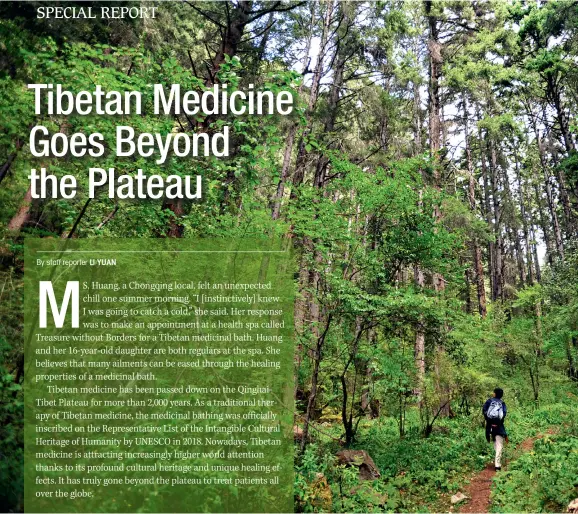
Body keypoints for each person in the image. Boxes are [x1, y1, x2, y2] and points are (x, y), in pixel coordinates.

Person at [482, 387, 508, 471]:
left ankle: (497, 461)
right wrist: (498, 422)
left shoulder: (489, 401)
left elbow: (484, 411)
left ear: (495, 393)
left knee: (495, 443)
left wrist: (489, 421)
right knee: (499, 444)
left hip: (490, 426)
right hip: (499, 426)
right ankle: (497, 465)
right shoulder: (502, 403)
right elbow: (504, 414)